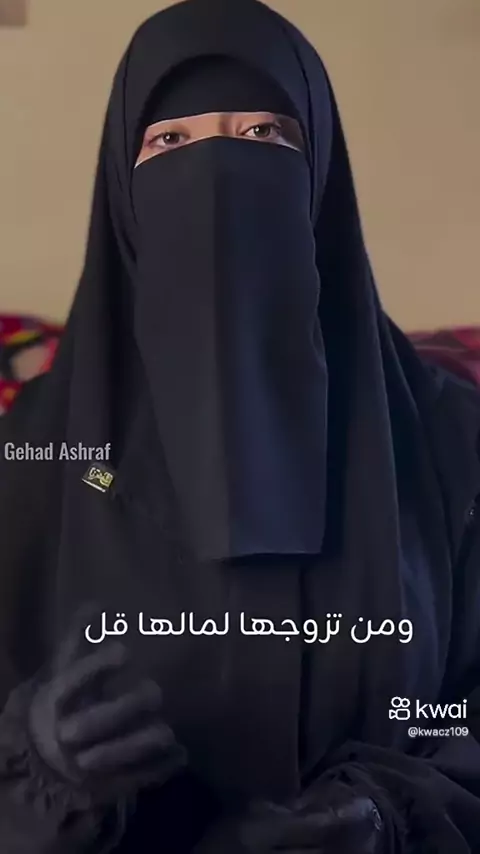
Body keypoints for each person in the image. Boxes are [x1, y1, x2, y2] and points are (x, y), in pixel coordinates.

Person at [0, 0, 479, 851]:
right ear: (123, 193)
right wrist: (36, 765)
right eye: (170, 142)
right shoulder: (31, 460)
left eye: (264, 135)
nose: (219, 175)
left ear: (321, 177)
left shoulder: (450, 442)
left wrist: (388, 815)